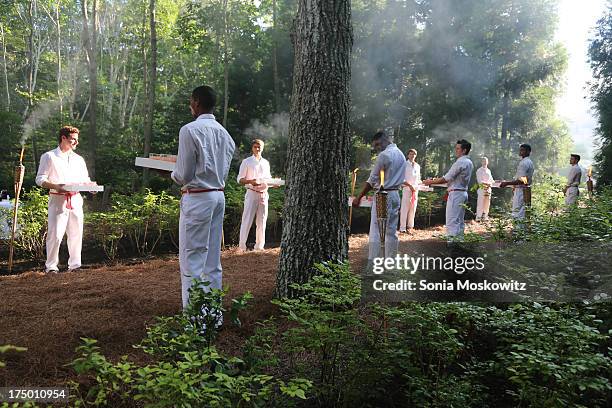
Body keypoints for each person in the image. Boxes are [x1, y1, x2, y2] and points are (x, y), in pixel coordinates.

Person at [171, 85, 236, 310]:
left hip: (198, 198)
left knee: (191, 259)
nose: (190, 105)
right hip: (218, 196)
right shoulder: (225, 134)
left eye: (191, 101)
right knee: (212, 261)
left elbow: (184, 175)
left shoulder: (189, 130)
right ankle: (212, 314)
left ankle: (195, 321)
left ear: (196, 103)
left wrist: (170, 172)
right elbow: (222, 170)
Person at [35, 126, 91, 273]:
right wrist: (55, 186)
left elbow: (85, 179)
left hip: (76, 199)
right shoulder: (49, 156)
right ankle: (51, 267)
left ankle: (75, 265)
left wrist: (91, 187)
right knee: (55, 234)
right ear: (63, 138)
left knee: (76, 233)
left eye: (77, 140)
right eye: (73, 139)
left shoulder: (79, 159)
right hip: (58, 199)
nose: (76, 143)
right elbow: (40, 179)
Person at [353, 131, 406, 259]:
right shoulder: (401, 154)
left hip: (383, 196)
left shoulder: (384, 155)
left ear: (385, 140)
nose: (377, 148)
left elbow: (372, 180)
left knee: (376, 230)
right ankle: (391, 263)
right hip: (395, 195)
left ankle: (373, 262)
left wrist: (359, 197)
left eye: (378, 144)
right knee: (391, 231)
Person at [423, 140, 474, 239]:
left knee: (452, 221)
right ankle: (459, 243)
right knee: (459, 221)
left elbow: (446, 178)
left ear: (464, 150)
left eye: (458, 148)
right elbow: (451, 178)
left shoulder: (460, 162)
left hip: (456, 194)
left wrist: (430, 182)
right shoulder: (469, 162)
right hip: (462, 192)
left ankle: (452, 246)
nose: (456, 150)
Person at [237, 139, 271, 251]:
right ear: (252, 148)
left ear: (263, 148)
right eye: (255, 146)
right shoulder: (246, 162)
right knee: (247, 220)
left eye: (259, 146)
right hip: (252, 193)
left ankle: (259, 247)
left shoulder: (266, 163)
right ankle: (242, 247)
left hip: (264, 194)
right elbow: (240, 179)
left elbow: (267, 180)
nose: (257, 148)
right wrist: (250, 181)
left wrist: (273, 184)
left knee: (262, 221)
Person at [500, 144, 534, 220]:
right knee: (523, 211)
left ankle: (518, 230)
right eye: (520, 150)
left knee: (518, 213)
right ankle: (521, 230)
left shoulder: (524, 163)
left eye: (523, 150)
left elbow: (522, 180)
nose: (521, 151)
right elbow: (524, 179)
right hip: (524, 189)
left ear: (528, 152)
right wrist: (514, 185)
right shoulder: (529, 162)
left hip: (521, 191)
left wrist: (507, 183)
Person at [399, 148, 421, 234]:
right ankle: (402, 228)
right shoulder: (404, 164)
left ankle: (410, 227)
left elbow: (418, 179)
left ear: (416, 156)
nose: (412, 156)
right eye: (411, 154)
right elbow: (401, 178)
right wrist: (409, 185)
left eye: (414, 154)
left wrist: (423, 183)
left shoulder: (417, 166)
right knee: (405, 208)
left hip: (415, 190)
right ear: (408, 155)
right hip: (407, 189)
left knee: (413, 208)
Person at [475, 157, 494, 221]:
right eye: (483, 161)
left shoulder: (489, 170)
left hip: (488, 189)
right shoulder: (479, 170)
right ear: (481, 162)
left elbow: (492, 180)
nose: (485, 162)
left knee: (487, 203)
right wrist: (487, 184)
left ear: (488, 162)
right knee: (480, 203)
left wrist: (499, 182)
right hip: (482, 189)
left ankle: (485, 217)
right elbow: (479, 181)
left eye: (486, 161)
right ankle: (478, 217)